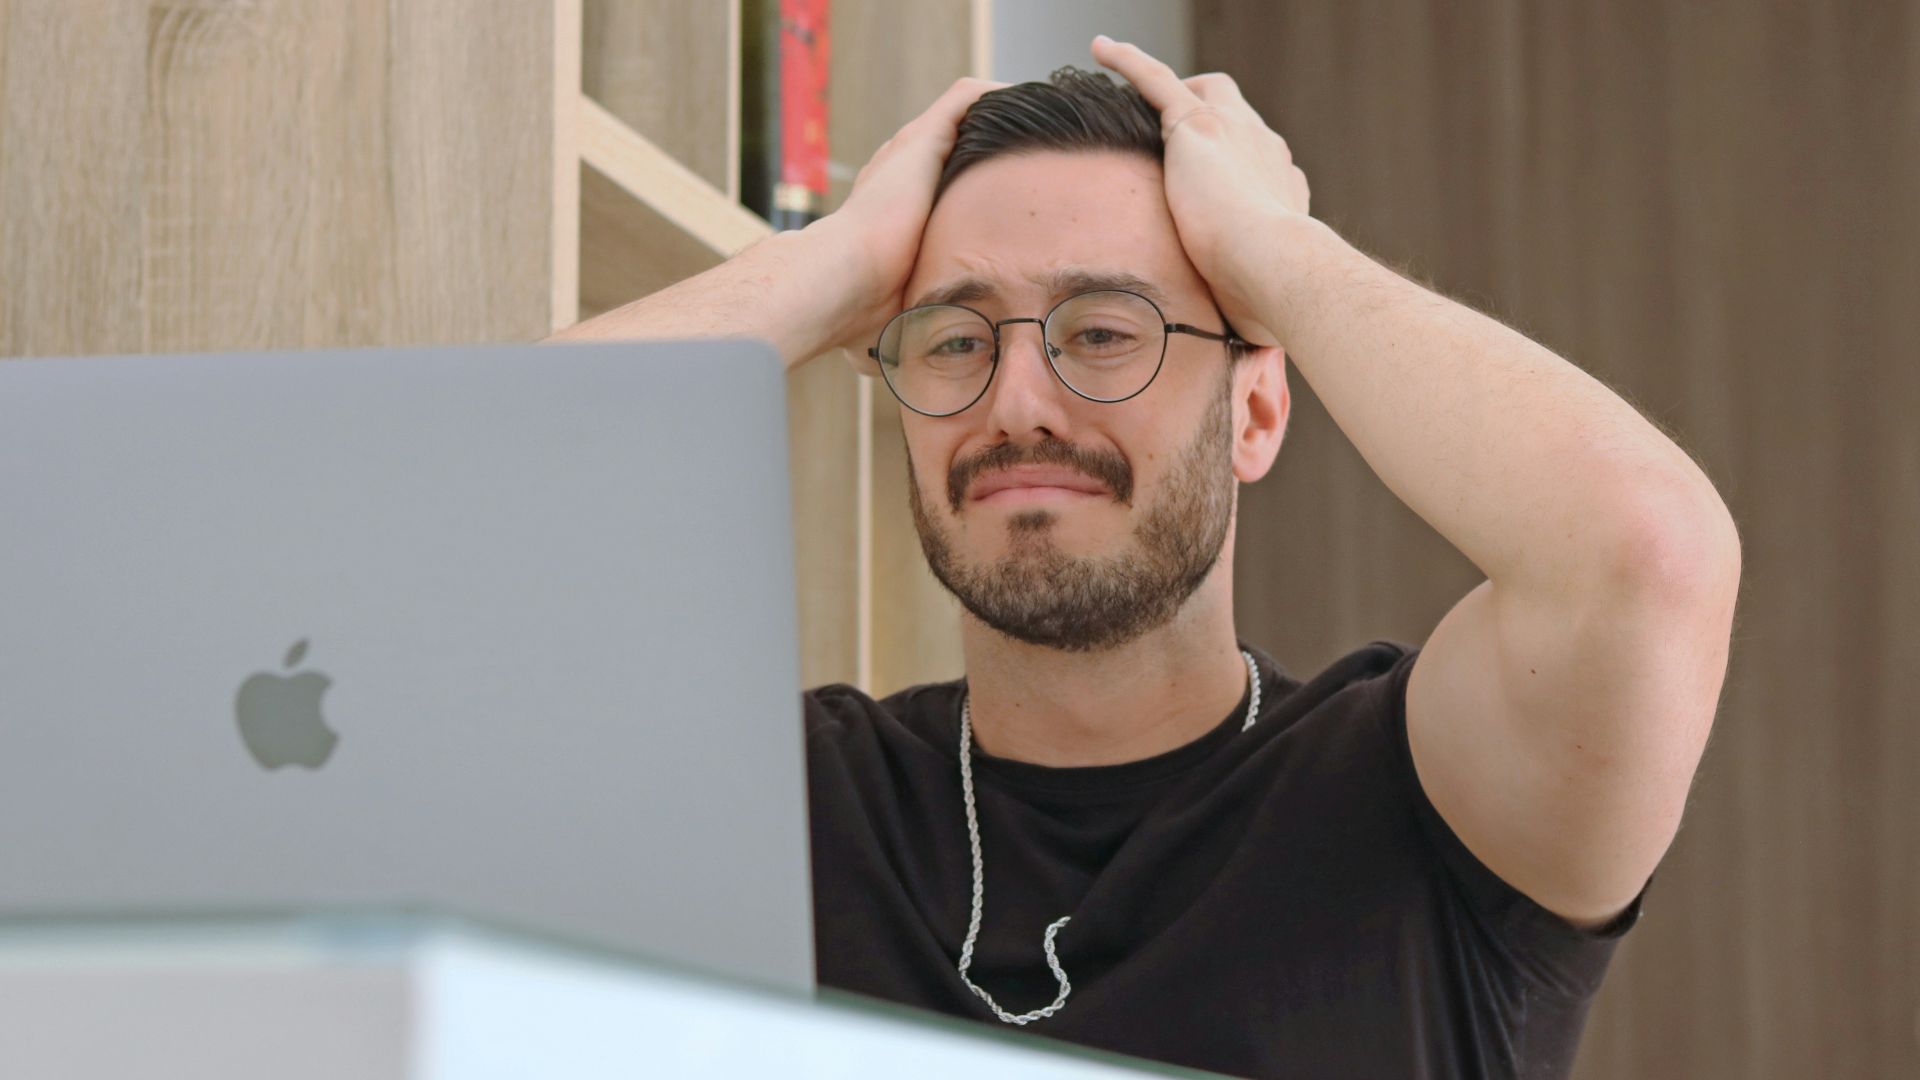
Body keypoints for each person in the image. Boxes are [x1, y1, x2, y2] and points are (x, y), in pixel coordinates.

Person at [548, 36, 1741, 1080]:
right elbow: (427, 552)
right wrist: (844, 260)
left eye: (1105, 331)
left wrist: (1278, 249)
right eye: (958, 339)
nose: (1018, 400)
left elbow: (1646, 551)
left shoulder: (1428, 808)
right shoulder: (789, 809)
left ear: (1258, 414)